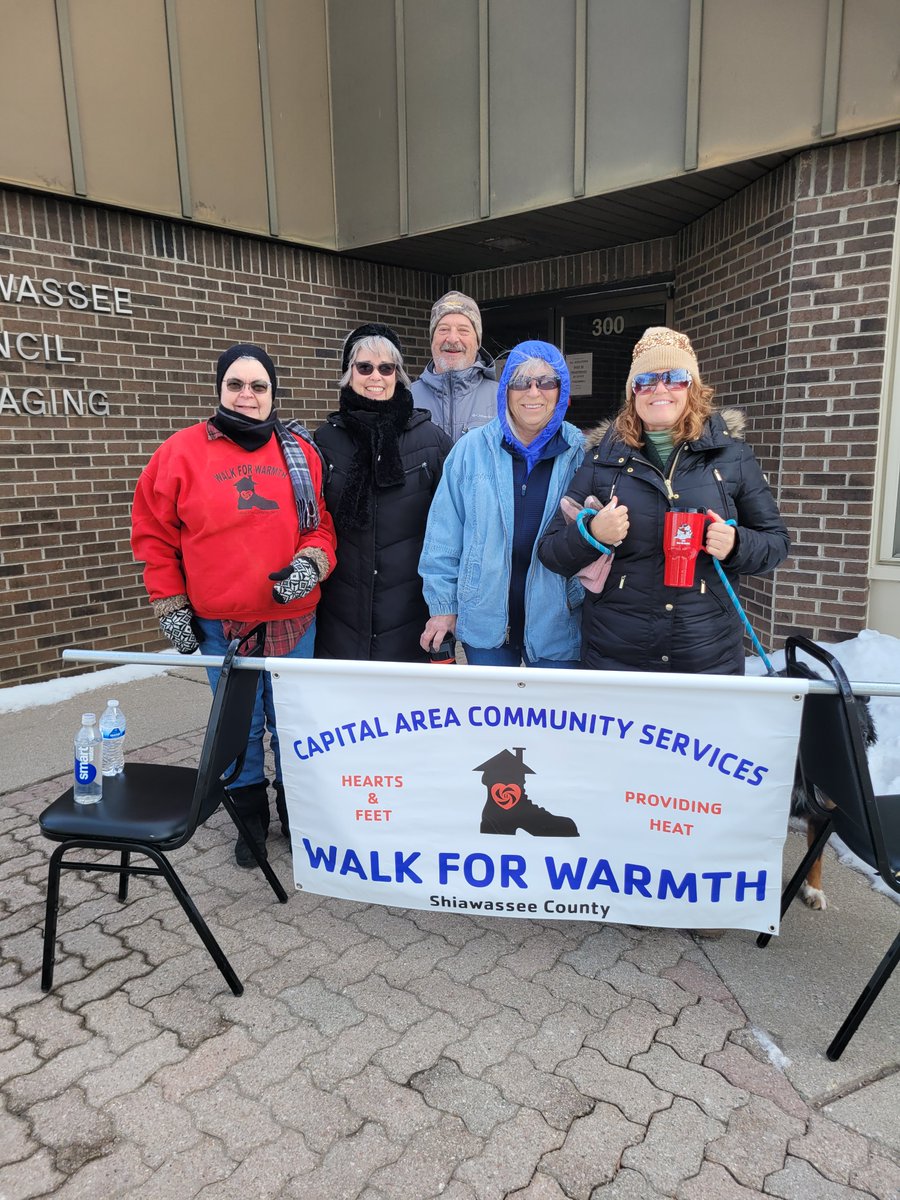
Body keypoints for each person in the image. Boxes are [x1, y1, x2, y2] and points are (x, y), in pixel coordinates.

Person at [131, 343, 337, 866]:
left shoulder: (300, 452)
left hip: (293, 621)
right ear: (219, 389)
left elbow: (320, 527)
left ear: (273, 393)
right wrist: (170, 603)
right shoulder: (178, 453)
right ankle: (248, 819)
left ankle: (300, 815)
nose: (247, 396)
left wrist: (311, 563)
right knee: (239, 730)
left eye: (258, 386)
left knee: (292, 722)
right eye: (236, 385)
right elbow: (154, 537)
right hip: (220, 626)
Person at [538, 326, 790, 674]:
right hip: (617, 654)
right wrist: (592, 533)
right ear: (632, 392)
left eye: (674, 377)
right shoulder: (602, 458)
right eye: (645, 380)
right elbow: (551, 552)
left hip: (706, 654)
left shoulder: (731, 455)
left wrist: (736, 544)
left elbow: (776, 543)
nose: (659, 389)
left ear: (692, 387)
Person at [419, 339, 584, 668]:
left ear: (561, 390)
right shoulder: (470, 450)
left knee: (554, 720)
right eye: (520, 382)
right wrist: (442, 606)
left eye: (546, 382)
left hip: (558, 623)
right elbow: (443, 535)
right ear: (504, 391)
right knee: (491, 718)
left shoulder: (580, 452)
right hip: (485, 623)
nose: (533, 392)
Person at [314, 323, 451, 661]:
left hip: (409, 616)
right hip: (341, 617)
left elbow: (451, 530)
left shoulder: (431, 442)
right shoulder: (324, 441)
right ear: (349, 374)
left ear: (398, 375)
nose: (375, 376)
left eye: (386, 367)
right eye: (364, 367)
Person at [411, 290, 497, 443]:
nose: (452, 338)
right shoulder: (406, 398)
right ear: (432, 340)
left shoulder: (502, 398)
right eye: (443, 329)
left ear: (477, 342)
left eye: (463, 330)